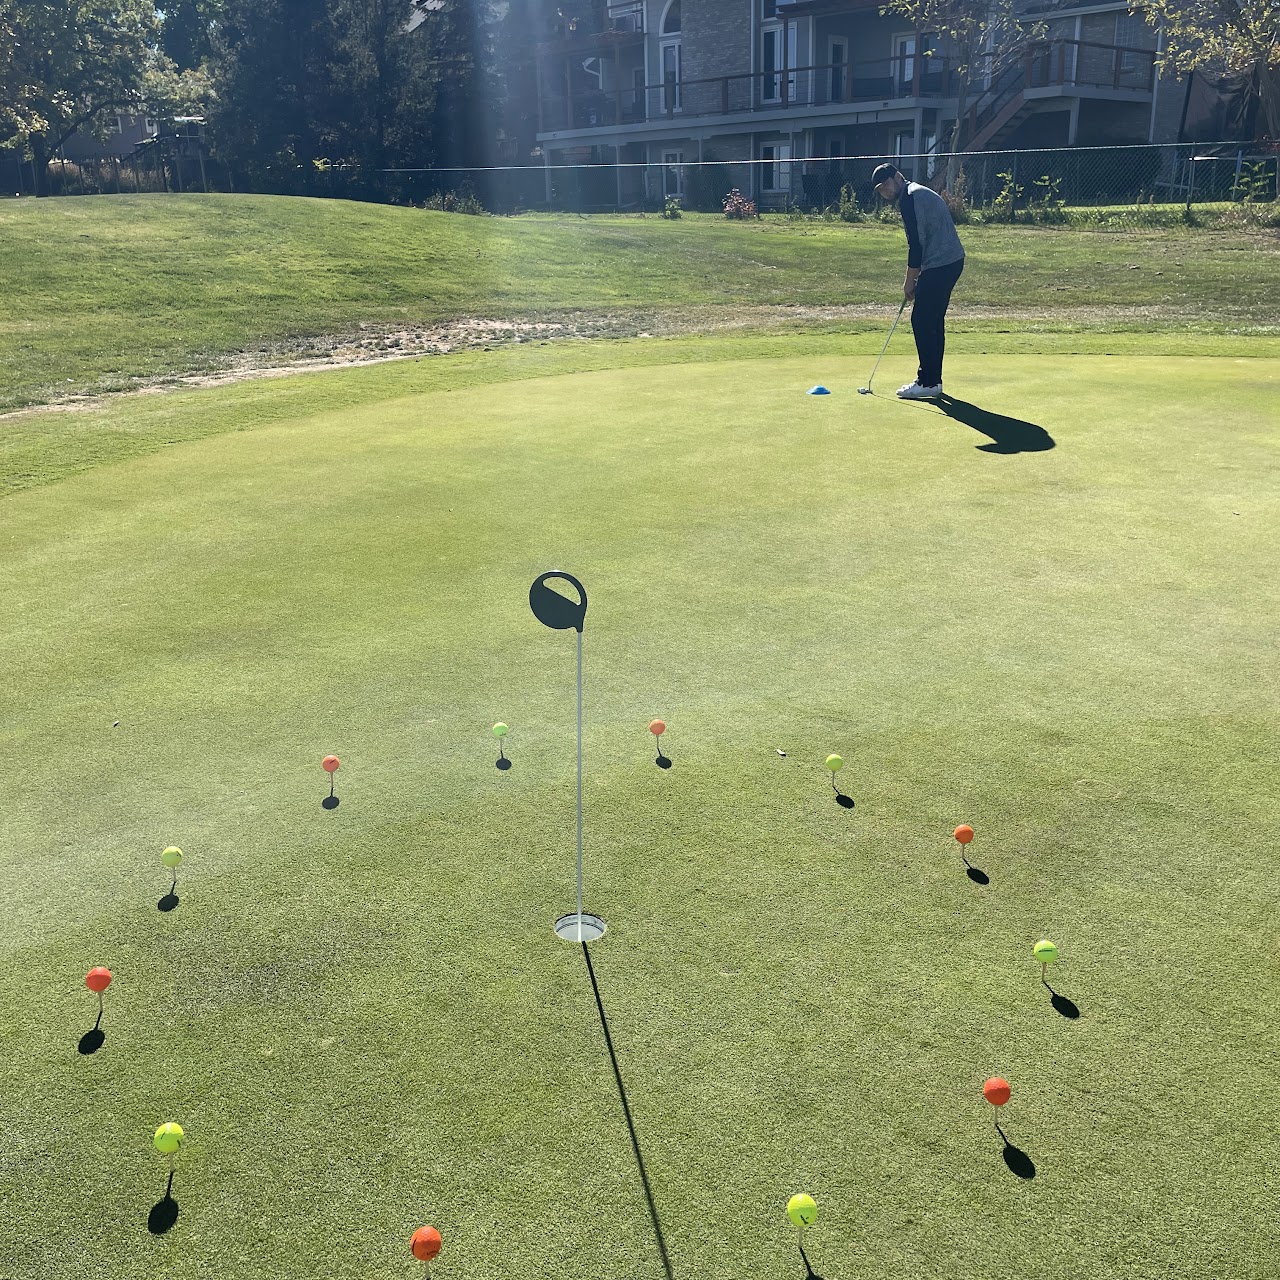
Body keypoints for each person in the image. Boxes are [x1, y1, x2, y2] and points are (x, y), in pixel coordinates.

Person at [871, 162, 965, 400]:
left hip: (941, 263)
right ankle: (933, 381)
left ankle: (928, 381)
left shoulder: (910, 199)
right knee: (932, 321)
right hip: (951, 261)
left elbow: (916, 246)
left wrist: (909, 282)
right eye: (880, 191)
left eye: (886, 186)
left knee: (922, 320)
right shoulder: (916, 193)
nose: (885, 193)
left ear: (897, 177)